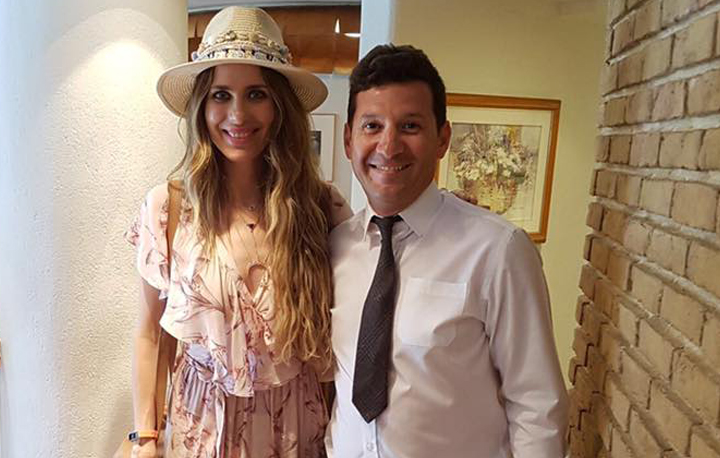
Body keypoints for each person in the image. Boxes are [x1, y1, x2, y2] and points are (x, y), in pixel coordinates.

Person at [125, 7, 350, 458]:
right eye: (221, 95)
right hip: (200, 428)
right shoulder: (168, 210)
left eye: (256, 94)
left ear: (280, 107)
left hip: (297, 431)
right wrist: (144, 439)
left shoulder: (320, 208)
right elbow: (150, 333)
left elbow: (340, 336)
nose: (238, 114)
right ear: (202, 107)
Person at [326, 44, 568, 457]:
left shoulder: (497, 250)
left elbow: (537, 406)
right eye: (372, 126)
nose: (389, 145)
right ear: (349, 140)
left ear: (442, 138)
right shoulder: (336, 247)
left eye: (410, 126)